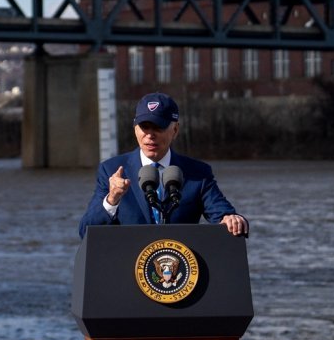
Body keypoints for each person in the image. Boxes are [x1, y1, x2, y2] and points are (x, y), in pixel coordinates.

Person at [78, 92, 248, 239]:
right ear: (135, 129)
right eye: (144, 127)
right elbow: (86, 231)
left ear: (175, 130)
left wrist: (231, 219)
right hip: (128, 270)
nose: (150, 135)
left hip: (181, 270)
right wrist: (112, 199)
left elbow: (223, 213)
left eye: (158, 127)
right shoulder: (111, 170)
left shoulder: (198, 173)